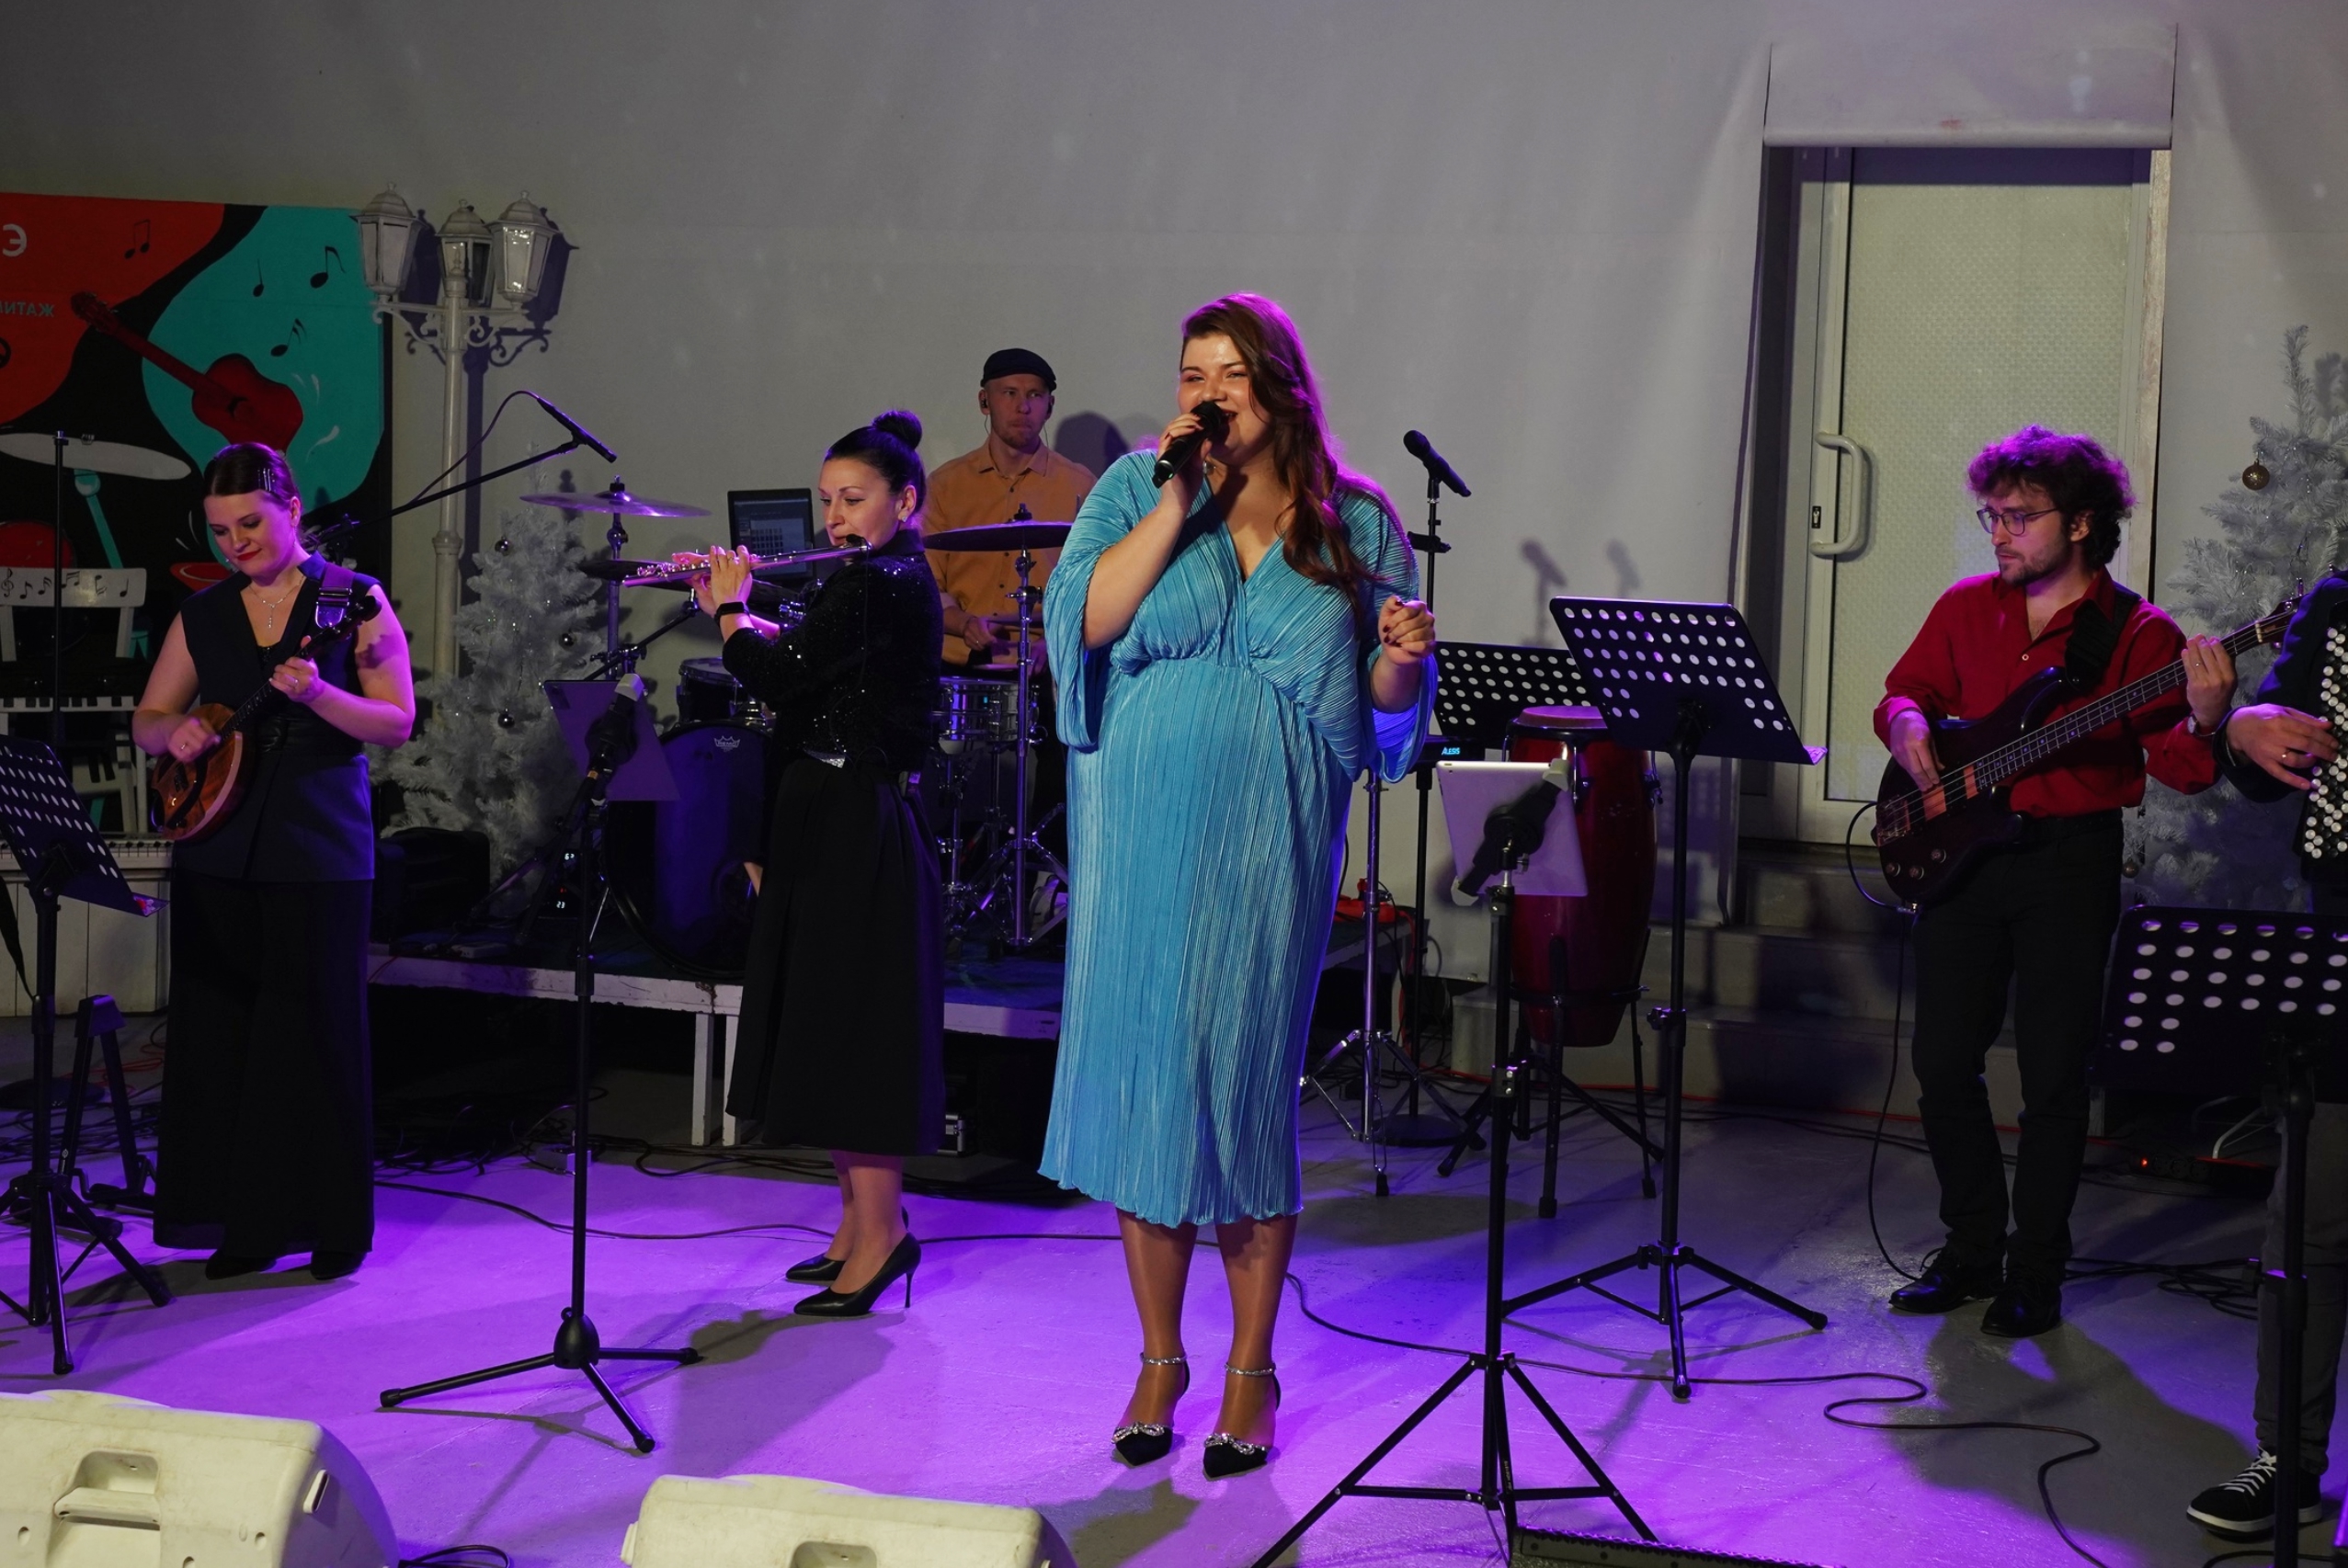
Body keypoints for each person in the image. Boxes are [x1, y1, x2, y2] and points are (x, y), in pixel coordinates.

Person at [1042, 294, 1435, 1477]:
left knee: (1245, 1089)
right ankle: (1160, 1358)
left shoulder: (1353, 518)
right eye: (1190, 373)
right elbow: (1086, 621)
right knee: (1151, 1086)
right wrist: (1176, 496)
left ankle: (1250, 1369)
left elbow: (1384, 708)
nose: (1206, 392)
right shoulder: (1133, 489)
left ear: (1278, 387)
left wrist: (1399, 663)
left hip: (1273, 830)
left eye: (1229, 373)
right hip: (1138, 828)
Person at [1876, 425, 2229, 1337]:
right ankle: (1969, 1248)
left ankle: (2035, 1270)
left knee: (2052, 1077)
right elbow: (1904, 692)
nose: (1998, 532)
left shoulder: (2139, 634)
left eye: (2019, 516)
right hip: (1962, 855)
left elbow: (2180, 767)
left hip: (2067, 862)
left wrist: (2203, 716)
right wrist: (1905, 721)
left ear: (2079, 522)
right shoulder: (1966, 608)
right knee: (1941, 1062)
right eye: (1990, 515)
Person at [134, 442, 415, 1281]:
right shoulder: (205, 613)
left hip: (318, 839)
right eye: (221, 531)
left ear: (292, 510)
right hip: (218, 839)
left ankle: (331, 1224)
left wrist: (320, 693)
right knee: (223, 1031)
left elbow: (396, 721)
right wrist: (174, 731)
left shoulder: (353, 598)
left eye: (251, 524)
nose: (237, 544)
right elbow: (150, 717)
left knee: (315, 1033)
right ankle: (243, 1225)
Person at [694, 409, 944, 1319]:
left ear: (903, 501)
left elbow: (781, 675)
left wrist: (730, 611)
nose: (834, 518)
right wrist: (752, 618)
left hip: (853, 815)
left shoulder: (882, 579)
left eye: (854, 499)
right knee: (825, 1018)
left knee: (850, 1029)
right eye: (828, 500)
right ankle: (855, 1225)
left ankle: (880, 1237)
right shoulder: (864, 579)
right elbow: (818, 671)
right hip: (826, 808)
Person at [2177, 573, 2348, 1537]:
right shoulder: (2338, 604)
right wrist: (2235, 723)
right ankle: (2287, 1458)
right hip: (2344, 948)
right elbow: (2258, 757)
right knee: (2308, 1226)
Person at [925, 347, 1096, 669]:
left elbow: (1095, 589)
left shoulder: (1081, 486)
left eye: (1035, 395)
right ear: (984, 402)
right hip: (960, 666)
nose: (1023, 407)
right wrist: (964, 623)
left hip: (1046, 668)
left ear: (1049, 407)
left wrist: (1056, 642)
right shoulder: (945, 485)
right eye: (1009, 393)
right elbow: (927, 584)